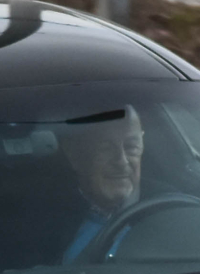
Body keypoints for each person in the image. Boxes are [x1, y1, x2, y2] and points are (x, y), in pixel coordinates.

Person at [54, 107, 143, 262]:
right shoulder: (42, 221)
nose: (122, 161)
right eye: (106, 148)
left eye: (130, 147)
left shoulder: (172, 210)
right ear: (73, 154)